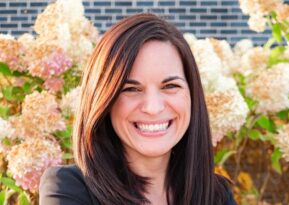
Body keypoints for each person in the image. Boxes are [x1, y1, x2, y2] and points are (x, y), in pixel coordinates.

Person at [39, 13, 237, 205]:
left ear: (192, 95)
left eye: (170, 86)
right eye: (131, 89)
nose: (153, 108)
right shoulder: (69, 188)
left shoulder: (216, 194)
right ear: (104, 100)